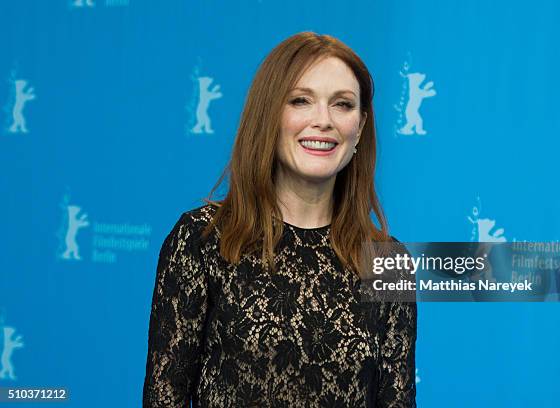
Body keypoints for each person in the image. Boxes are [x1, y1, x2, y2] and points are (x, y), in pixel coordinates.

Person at [143, 31, 417, 407]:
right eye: (301, 100)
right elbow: (165, 398)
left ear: (360, 127)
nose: (323, 121)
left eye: (342, 104)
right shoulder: (201, 239)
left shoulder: (387, 261)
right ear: (269, 115)